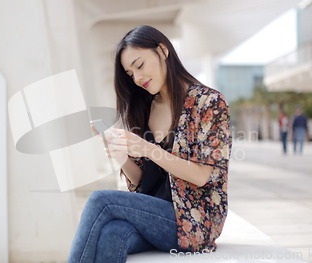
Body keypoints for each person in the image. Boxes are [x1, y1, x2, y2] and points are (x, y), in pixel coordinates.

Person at [67, 25, 232, 263]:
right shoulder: (144, 107)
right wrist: (122, 156)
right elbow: (143, 181)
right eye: (130, 74)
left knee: (99, 200)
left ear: (162, 50)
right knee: (113, 233)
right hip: (155, 215)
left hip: (193, 221)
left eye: (140, 65)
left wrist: (148, 149)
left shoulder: (209, 102)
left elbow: (201, 175)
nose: (137, 77)